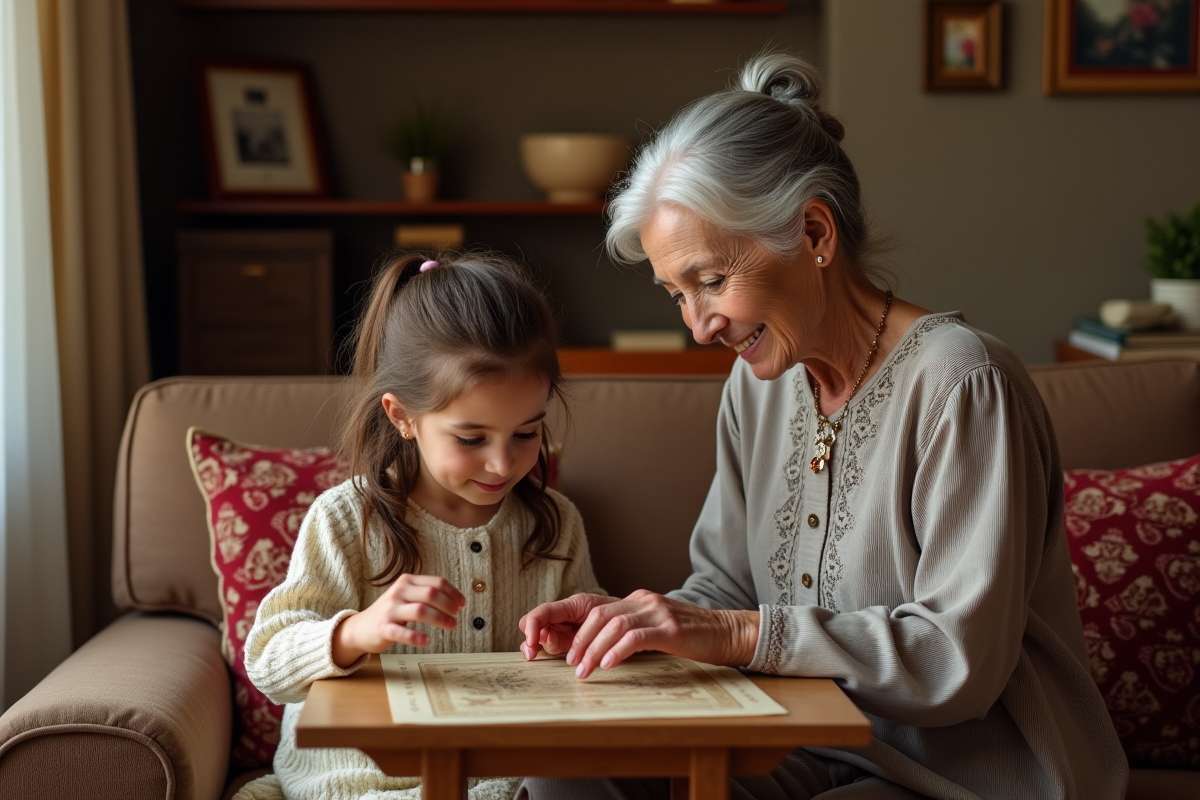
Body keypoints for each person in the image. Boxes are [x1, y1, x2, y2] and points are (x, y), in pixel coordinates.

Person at [518, 54, 1127, 800]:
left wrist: (743, 635)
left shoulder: (962, 382)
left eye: (711, 280)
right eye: (676, 293)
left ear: (813, 231)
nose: (700, 325)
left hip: (961, 775)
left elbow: (955, 663)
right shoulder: (757, 382)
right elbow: (727, 584)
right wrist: (635, 624)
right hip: (797, 747)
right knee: (560, 773)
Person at [237, 252, 602, 800]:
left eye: (527, 433)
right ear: (402, 416)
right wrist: (356, 632)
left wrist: (578, 640)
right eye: (472, 439)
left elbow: (590, 661)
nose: (503, 464)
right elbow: (268, 662)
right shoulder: (347, 520)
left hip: (496, 781)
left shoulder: (554, 525)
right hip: (357, 785)